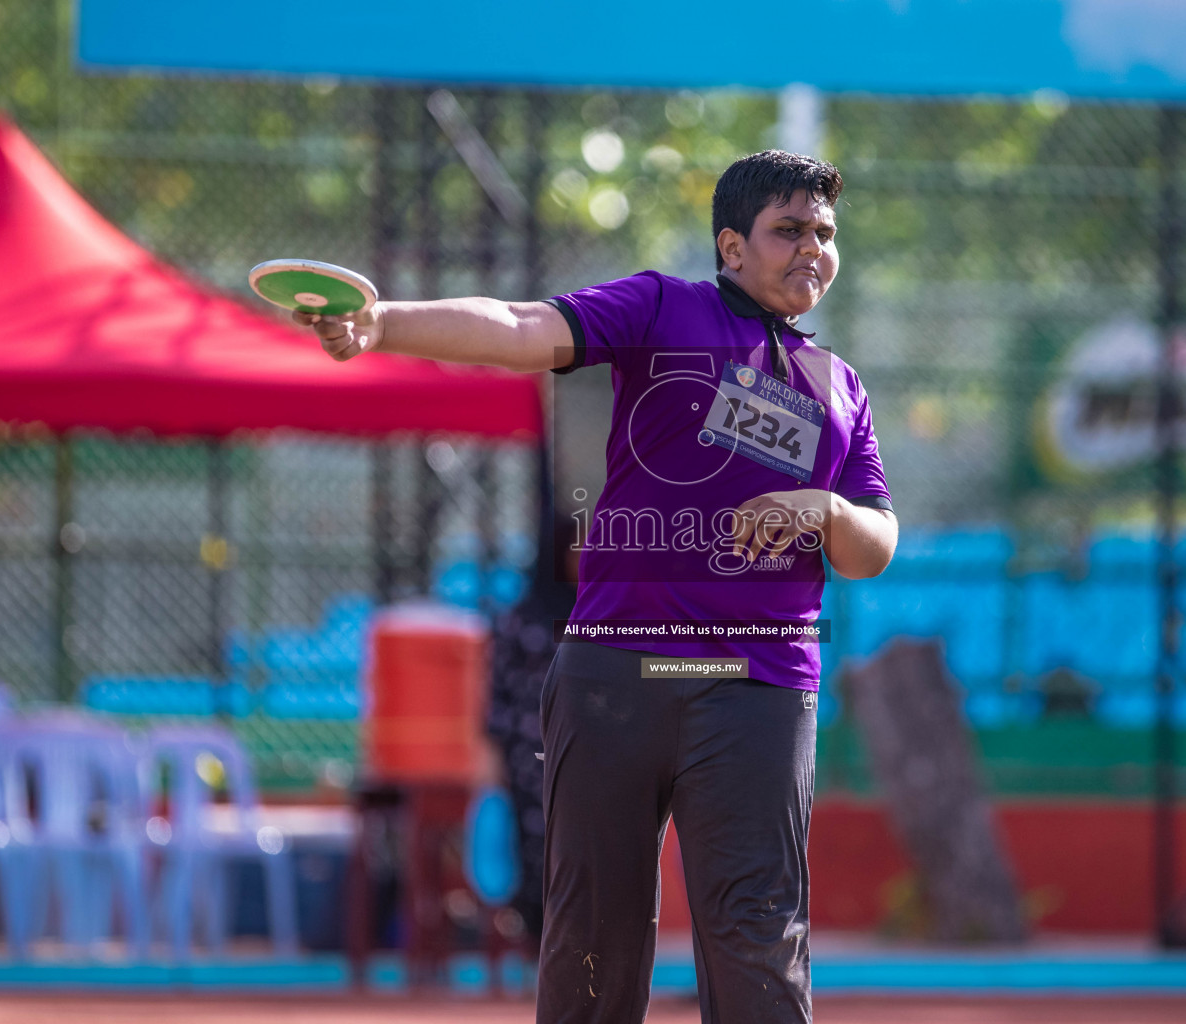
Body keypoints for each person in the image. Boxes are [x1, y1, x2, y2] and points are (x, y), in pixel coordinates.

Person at [295, 149, 897, 1023]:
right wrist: (384, 323)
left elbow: (874, 543)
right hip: (615, 676)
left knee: (758, 933)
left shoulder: (840, 387)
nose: (814, 248)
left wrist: (825, 511)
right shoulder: (663, 308)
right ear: (732, 247)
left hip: (761, 692)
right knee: (591, 937)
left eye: (827, 233)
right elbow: (517, 326)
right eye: (790, 230)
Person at [486, 509, 579, 946]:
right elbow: (497, 691)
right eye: (575, 548)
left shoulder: (604, 612)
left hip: (591, 748)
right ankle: (541, 939)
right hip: (531, 754)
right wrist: (497, 752)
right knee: (538, 844)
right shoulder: (523, 617)